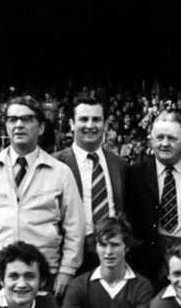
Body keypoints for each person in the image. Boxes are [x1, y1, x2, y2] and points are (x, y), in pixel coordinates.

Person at [0, 96, 84, 300]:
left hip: (43, 275)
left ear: (41, 127)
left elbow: (75, 226)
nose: (18, 125)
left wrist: (67, 269)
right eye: (12, 119)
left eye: (26, 119)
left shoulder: (60, 173)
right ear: (5, 126)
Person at [125, 111, 181, 291]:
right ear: (151, 141)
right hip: (150, 259)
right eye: (159, 137)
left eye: (172, 138)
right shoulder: (135, 173)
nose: (164, 144)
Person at [53, 96, 127, 274]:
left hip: (111, 254)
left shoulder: (120, 165)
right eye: (83, 119)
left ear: (105, 124)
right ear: (71, 123)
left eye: (96, 119)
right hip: (69, 258)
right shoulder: (55, 164)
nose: (90, 125)